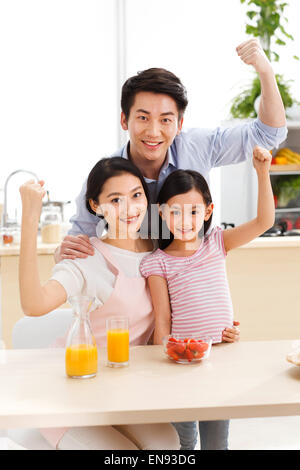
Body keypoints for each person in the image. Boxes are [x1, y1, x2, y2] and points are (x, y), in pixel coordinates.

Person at [54, 38, 287, 262]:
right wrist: (64, 252)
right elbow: (78, 244)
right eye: (143, 117)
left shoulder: (198, 146)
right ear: (124, 120)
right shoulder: (106, 177)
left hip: (191, 284)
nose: (153, 132)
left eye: (165, 120)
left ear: (180, 124)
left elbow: (268, 134)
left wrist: (265, 72)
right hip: (136, 288)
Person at [19, 157, 180, 450]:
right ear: (95, 206)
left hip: (120, 390)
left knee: (166, 443)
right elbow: (34, 305)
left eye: (136, 195)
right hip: (68, 390)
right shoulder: (87, 257)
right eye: (115, 200)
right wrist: (30, 221)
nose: (130, 209)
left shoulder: (157, 249)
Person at [139, 146, 274, 450]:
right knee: (182, 442)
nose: (184, 220)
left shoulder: (217, 243)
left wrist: (262, 173)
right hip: (180, 365)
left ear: (208, 211)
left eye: (193, 211)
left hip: (219, 362)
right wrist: (165, 361)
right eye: (174, 211)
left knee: (217, 443)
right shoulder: (157, 262)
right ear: (161, 212)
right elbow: (163, 319)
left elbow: (264, 221)